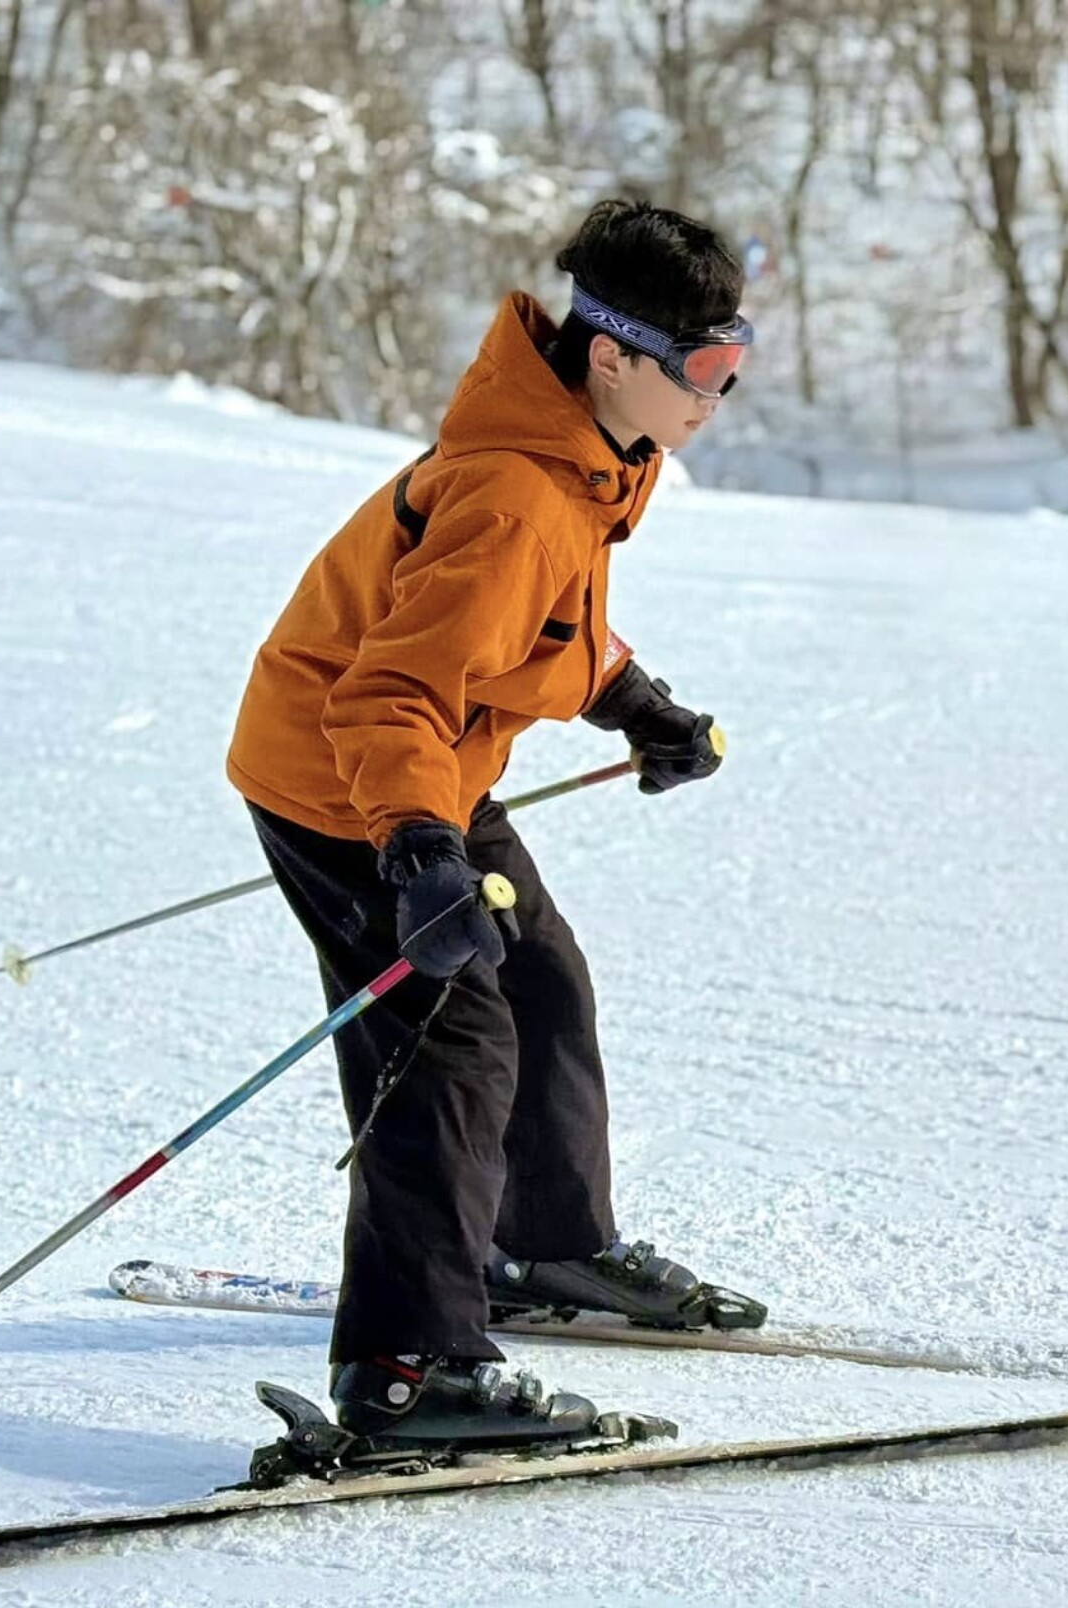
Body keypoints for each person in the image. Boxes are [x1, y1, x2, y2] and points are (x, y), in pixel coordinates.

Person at [224, 199, 751, 1449]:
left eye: (736, 363)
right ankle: (410, 1365)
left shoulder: (592, 452)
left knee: (544, 984)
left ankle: (544, 1248)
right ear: (615, 355)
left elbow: (530, 625)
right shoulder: (516, 489)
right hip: (347, 776)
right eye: (707, 371)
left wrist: (632, 701)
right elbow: (394, 687)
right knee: (447, 1051)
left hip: (426, 769)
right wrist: (417, 855)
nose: (718, 399)